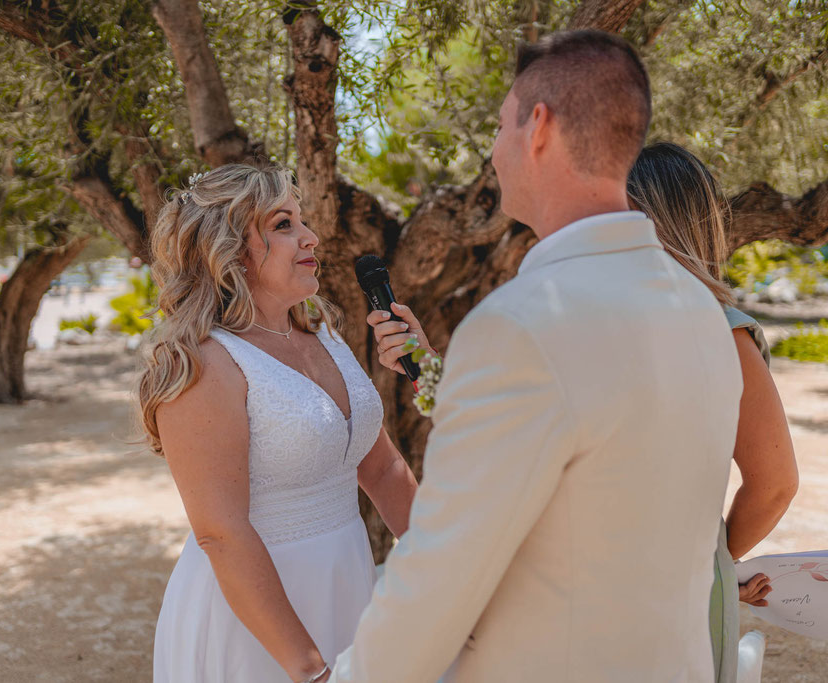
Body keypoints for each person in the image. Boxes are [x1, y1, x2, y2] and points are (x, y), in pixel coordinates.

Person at [329, 29, 742, 682]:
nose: (493, 150)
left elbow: (441, 571)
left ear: (539, 128)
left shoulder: (520, 327)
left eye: (500, 126)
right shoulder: (700, 314)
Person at [139, 164, 418, 683]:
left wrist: (450, 575)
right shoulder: (204, 363)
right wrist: (311, 671)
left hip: (345, 586)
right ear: (229, 249)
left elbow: (380, 471)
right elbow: (220, 532)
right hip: (258, 626)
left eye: (302, 219)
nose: (311, 237)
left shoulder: (324, 334)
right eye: (283, 224)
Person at [627, 141, 799, 682]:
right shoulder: (599, 323)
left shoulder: (723, 333)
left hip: (676, 597)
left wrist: (712, 559)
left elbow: (775, 483)